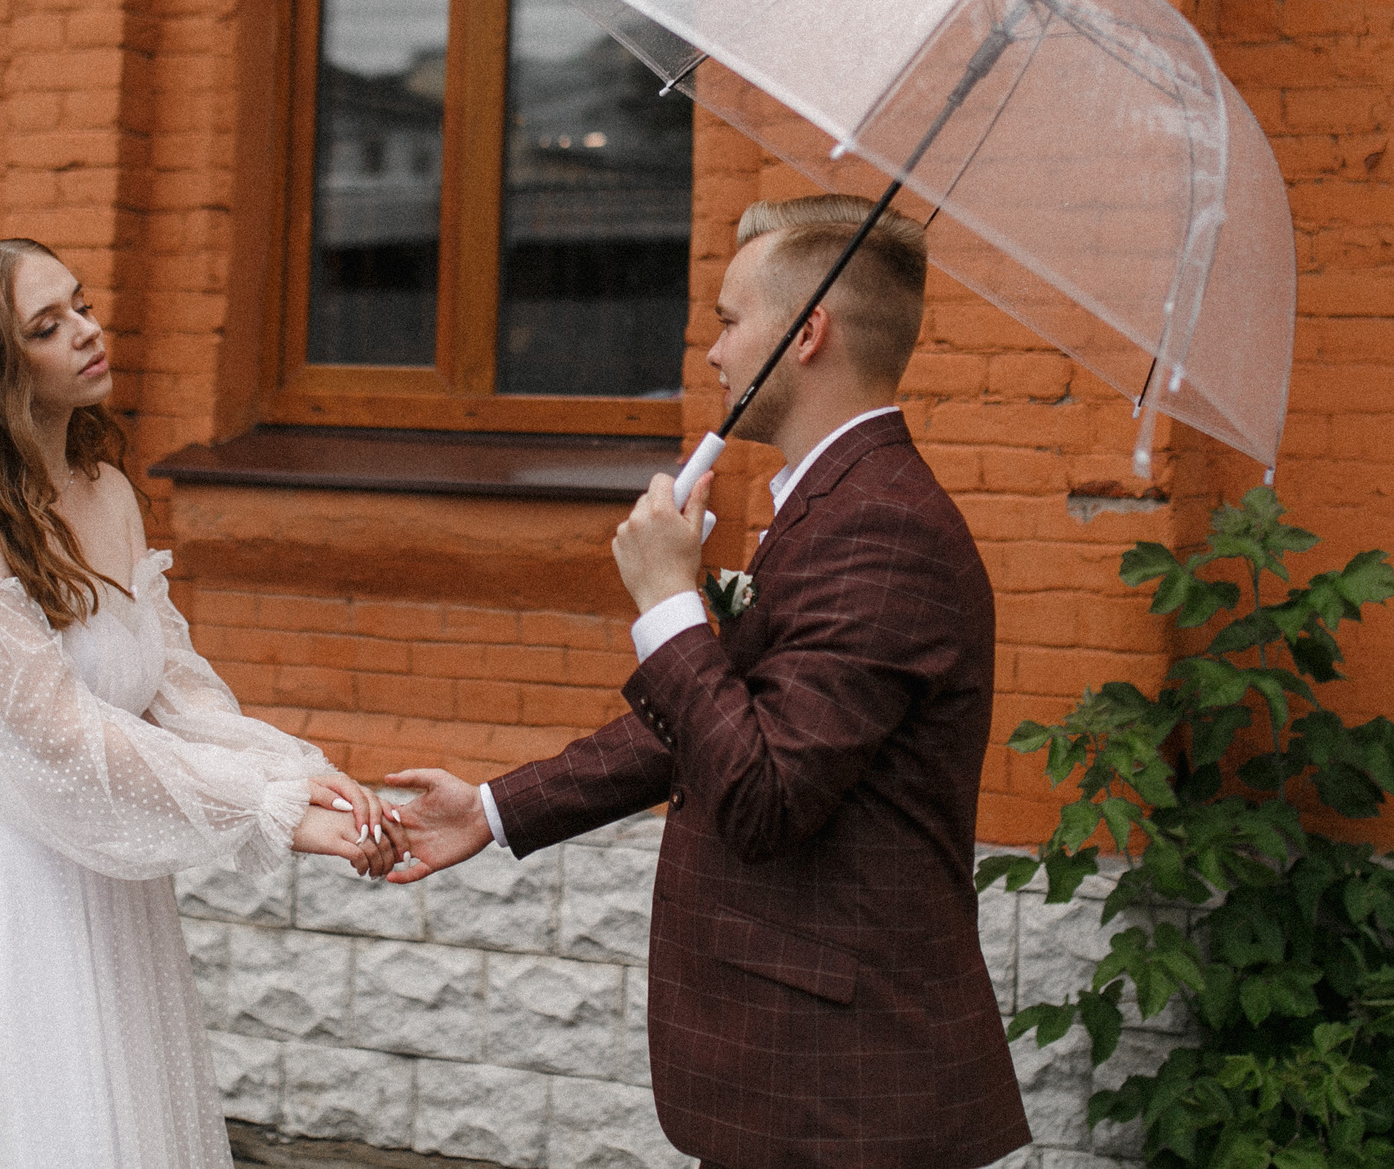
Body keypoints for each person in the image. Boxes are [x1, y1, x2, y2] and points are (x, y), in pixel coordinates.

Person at [387, 195, 1031, 1169]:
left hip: (841, 1087)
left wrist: (668, 605)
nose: (713, 353)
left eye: (731, 321)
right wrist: (494, 809)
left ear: (805, 334)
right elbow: (709, 721)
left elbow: (765, 796)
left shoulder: (880, 527)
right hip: (796, 1069)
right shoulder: (829, 504)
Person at [0, 238, 398, 1169]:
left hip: (108, 863)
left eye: (82, 305)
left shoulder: (107, 489)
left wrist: (298, 774)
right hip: (11, 867)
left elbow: (169, 687)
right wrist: (267, 811)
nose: (90, 332)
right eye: (48, 326)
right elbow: (54, 735)